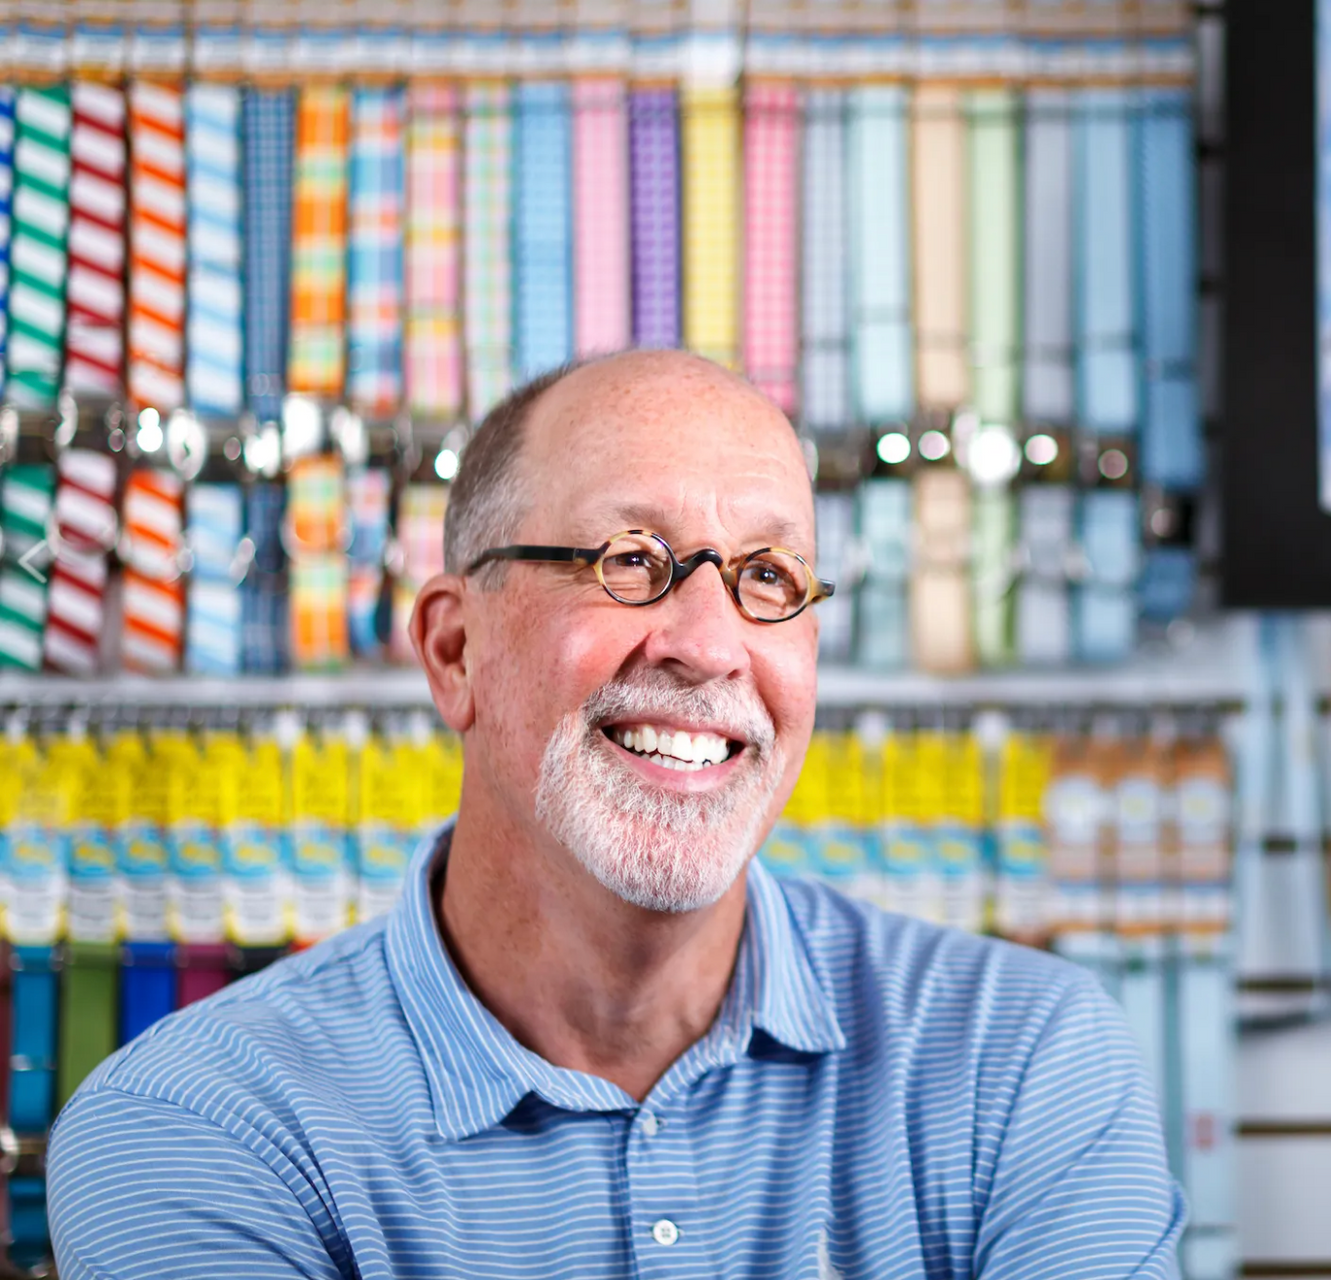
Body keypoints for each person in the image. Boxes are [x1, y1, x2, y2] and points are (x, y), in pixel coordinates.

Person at [48, 351, 1183, 1279]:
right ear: (455, 650)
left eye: (770, 577)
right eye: (631, 560)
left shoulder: (1019, 1061)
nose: (710, 644)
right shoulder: (198, 1127)